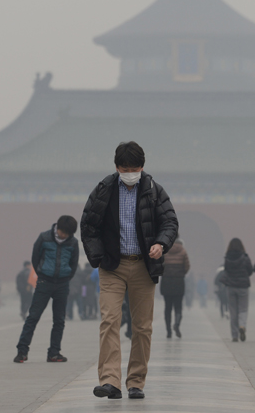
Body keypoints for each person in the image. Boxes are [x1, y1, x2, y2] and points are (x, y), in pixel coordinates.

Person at [80, 141, 178, 400]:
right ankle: (110, 380)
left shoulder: (154, 191)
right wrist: (98, 256)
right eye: (125, 168)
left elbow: (170, 221)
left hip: (144, 267)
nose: (130, 173)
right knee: (109, 320)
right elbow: (88, 224)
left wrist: (161, 243)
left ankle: (136, 381)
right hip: (113, 266)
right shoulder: (104, 190)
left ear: (142, 167)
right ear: (116, 167)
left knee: (142, 327)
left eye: (134, 168)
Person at [14, 215, 80, 364]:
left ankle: (54, 353)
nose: (65, 236)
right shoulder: (44, 237)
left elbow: (73, 263)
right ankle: (22, 351)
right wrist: (42, 274)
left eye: (68, 234)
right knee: (33, 317)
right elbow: (35, 258)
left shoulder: (73, 242)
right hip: (45, 282)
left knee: (59, 320)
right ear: (58, 228)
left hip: (62, 284)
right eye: (64, 232)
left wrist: (66, 277)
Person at [223, 238, 253, 342]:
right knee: (243, 309)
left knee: (233, 311)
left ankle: (234, 335)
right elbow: (250, 270)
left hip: (231, 286)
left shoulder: (227, 258)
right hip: (243, 286)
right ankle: (242, 326)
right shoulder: (245, 257)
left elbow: (226, 270)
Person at [160, 238, 190, 339]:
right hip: (178, 282)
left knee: (167, 308)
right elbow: (187, 266)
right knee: (178, 306)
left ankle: (168, 331)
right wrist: (181, 274)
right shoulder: (183, 251)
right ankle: (176, 324)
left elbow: (160, 264)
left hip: (166, 281)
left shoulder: (164, 250)